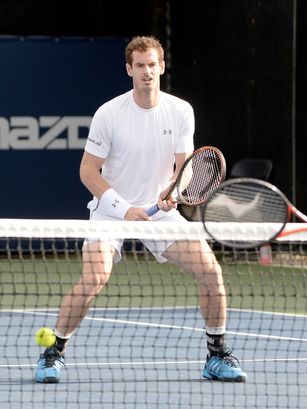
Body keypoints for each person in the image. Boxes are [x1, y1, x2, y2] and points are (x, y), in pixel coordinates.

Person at [35, 36, 247, 383]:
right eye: (140, 66)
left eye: (152, 65)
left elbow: (185, 167)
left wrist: (173, 191)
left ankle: (217, 354)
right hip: (110, 213)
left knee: (211, 271)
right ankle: (53, 353)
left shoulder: (180, 111)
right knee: (94, 279)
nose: (147, 72)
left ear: (161, 67)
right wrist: (123, 208)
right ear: (129, 70)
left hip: (160, 213)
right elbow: (87, 171)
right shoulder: (110, 113)